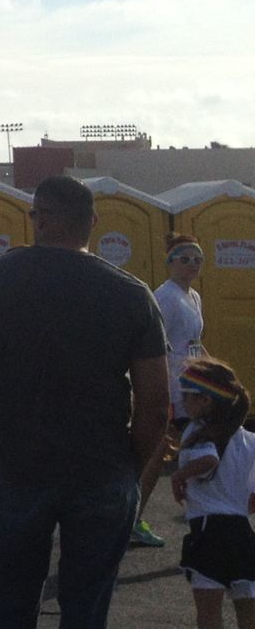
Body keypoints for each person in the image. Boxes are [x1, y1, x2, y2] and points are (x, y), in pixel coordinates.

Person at [0, 174, 169, 629]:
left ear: (40, 216)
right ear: (92, 222)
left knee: (6, 604)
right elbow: (157, 404)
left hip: (23, 466)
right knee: (85, 611)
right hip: (102, 469)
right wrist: (129, 468)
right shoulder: (131, 294)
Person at [170, 357, 255, 629]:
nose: (181, 401)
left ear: (205, 400)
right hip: (241, 533)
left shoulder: (197, 432)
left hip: (208, 530)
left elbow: (207, 459)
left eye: (186, 395)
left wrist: (179, 476)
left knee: (210, 624)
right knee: (249, 620)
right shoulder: (250, 441)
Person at [137, 233, 207, 547]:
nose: (192, 265)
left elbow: (192, 344)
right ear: (170, 262)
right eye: (185, 259)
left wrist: (211, 370)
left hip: (192, 386)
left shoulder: (193, 296)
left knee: (164, 453)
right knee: (166, 453)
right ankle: (131, 518)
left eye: (197, 259)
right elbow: (154, 345)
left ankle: (131, 518)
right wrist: (158, 393)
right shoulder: (165, 297)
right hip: (171, 388)